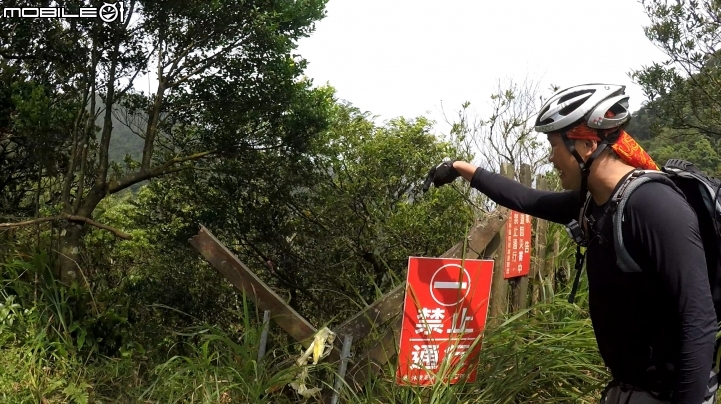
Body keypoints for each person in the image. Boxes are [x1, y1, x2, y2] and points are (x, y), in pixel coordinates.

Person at [424, 84, 718, 404]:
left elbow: (698, 323)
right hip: (629, 389)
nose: (551, 158)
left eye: (554, 145)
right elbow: (527, 199)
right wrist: (460, 168)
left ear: (586, 145)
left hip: (670, 393)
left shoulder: (654, 207)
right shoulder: (594, 202)